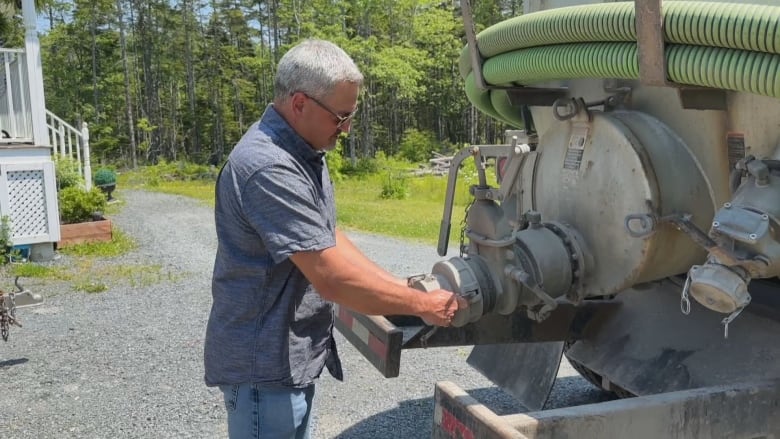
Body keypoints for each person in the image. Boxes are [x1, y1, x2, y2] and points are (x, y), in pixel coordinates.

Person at [204, 38, 465, 439]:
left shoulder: (303, 152)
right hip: (265, 373)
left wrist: (398, 286)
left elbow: (326, 237)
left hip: (288, 363)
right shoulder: (269, 167)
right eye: (340, 116)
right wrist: (421, 304)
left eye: (351, 113)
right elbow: (330, 276)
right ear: (300, 104)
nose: (347, 127)